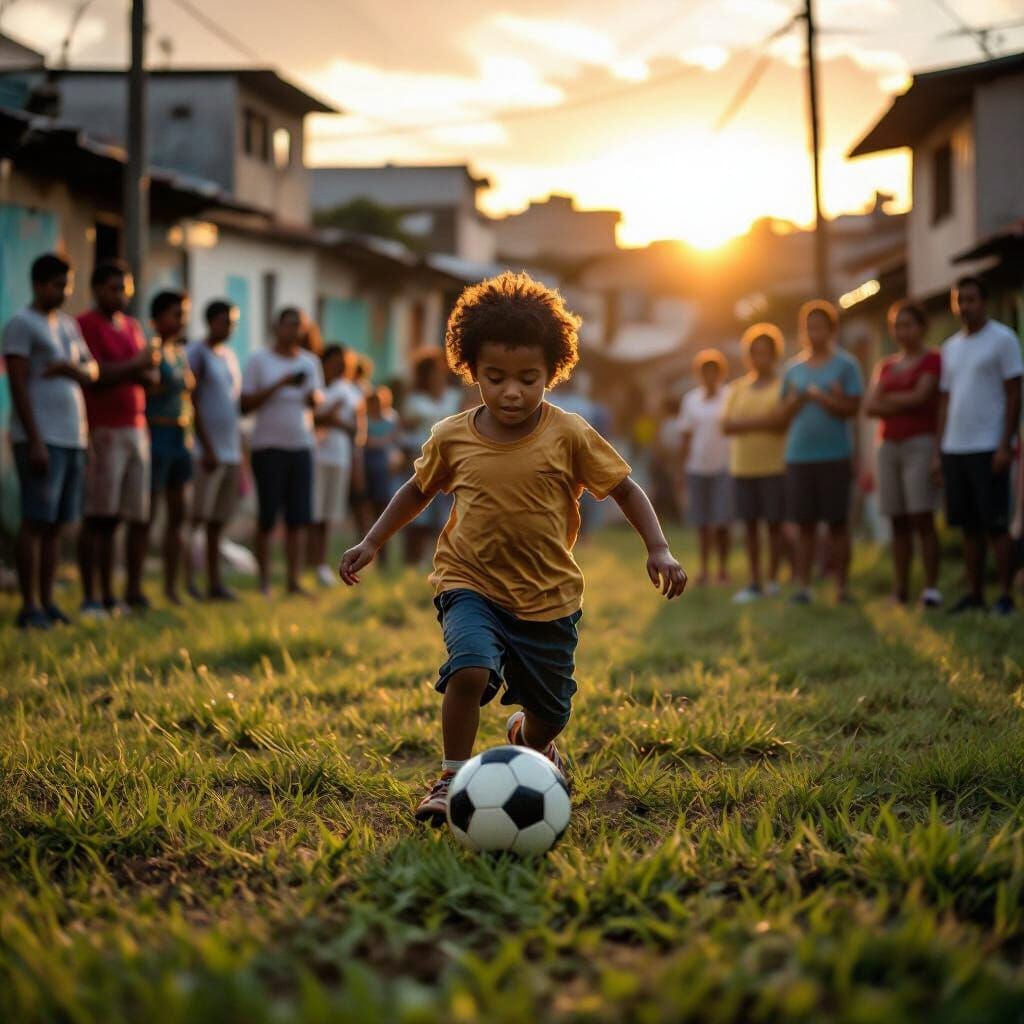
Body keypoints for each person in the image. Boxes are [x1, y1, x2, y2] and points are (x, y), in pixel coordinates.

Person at [338, 272, 687, 825]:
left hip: (549, 597)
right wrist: (372, 540)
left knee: (549, 714)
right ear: (471, 370)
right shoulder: (452, 435)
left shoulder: (569, 432)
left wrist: (659, 547)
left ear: (553, 372)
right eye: (494, 377)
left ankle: (530, 737)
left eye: (529, 378)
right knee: (469, 671)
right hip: (469, 582)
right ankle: (453, 777)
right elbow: (417, 489)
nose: (511, 392)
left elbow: (623, 486)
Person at [2, 253, 97, 629]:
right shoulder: (21, 325)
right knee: (35, 521)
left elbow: (92, 371)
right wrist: (35, 439)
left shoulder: (69, 326)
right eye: (58, 285)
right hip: (40, 437)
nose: (64, 292)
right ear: (39, 284)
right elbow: (18, 385)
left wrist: (71, 369)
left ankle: (48, 599)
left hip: (71, 437)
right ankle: (29, 606)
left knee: (57, 524)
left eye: (68, 285)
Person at [935, 276, 1023, 615]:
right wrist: (939, 450)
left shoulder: (1003, 340)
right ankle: (975, 595)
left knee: (996, 525)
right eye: (960, 300)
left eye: (971, 299)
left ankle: (1004, 595)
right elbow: (944, 402)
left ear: (983, 302)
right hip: (956, 448)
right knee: (968, 528)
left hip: (990, 447)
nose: (966, 306)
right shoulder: (951, 347)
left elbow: (1015, 393)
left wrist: (1005, 444)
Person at [77, 260, 159, 617]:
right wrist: (137, 364)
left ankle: (118, 594)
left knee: (128, 517)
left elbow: (147, 373)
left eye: (126, 289)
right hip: (104, 427)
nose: (122, 296)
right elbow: (95, 373)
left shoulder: (131, 326)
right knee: (99, 516)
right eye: (114, 288)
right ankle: (93, 595)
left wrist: (146, 368)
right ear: (96, 289)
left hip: (136, 427)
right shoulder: (85, 325)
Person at [782, 300, 863, 605]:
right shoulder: (793, 370)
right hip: (799, 456)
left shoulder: (846, 365)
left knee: (837, 524)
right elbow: (782, 412)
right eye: (809, 327)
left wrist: (824, 399)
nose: (814, 333)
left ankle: (842, 587)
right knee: (804, 525)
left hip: (834, 455)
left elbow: (853, 408)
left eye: (820, 327)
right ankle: (803, 587)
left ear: (832, 330)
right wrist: (797, 400)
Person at [241, 307, 323, 596]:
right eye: (289, 325)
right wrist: (281, 384)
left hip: (301, 445)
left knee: (297, 518)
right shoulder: (259, 359)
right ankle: (263, 582)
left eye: (300, 326)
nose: (295, 331)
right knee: (267, 516)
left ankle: (293, 581)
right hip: (268, 447)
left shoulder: (311, 362)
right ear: (277, 326)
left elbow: (317, 400)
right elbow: (245, 403)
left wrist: (314, 398)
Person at [865, 301, 942, 608]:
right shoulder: (885, 365)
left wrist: (890, 399)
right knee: (897, 520)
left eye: (908, 324)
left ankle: (932, 589)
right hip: (888, 447)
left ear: (922, 327)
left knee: (922, 517)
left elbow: (922, 397)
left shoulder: (933, 360)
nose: (902, 331)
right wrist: (905, 400)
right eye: (897, 325)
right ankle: (900, 590)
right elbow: (870, 406)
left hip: (920, 445)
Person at [721, 323, 788, 603]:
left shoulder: (783, 385)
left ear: (775, 355)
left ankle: (772, 580)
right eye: (755, 353)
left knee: (774, 525)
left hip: (774, 466)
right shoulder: (737, 388)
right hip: (743, 467)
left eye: (765, 353)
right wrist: (763, 423)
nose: (760, 358)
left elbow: (781, 422)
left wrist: (745, 424)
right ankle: (753, 581)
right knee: (749, 527)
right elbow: (726, 425)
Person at [186, 300, 242, 601]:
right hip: (207, 452)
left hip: (230, 450)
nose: (229, 328)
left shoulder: (229, 356)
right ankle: (188, 580)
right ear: (210, 322)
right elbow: (191, 401)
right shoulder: (197, 353)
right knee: (197, 518)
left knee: (217, 522)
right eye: (224, 322)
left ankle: (214, 582)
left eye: (233, 322)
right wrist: (205, 445)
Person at [141, 290, 194, 605]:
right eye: (176, 314)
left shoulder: (179, 351)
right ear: (158, 318)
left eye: (184, 314)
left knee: (178, 515)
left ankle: (171, 586)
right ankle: (137, 587)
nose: (181, 320)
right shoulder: (152, 349)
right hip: (157, 433)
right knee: (148, 514)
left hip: (180, 437)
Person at [310, 343, 365, 587]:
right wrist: (329, 417)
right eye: (334, 360)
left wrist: (336, 422)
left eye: (344, 361)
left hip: (339, 457)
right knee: (313, 511)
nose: (339, 365)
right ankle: (307, 562)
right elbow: (311, 418)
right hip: (316, 455)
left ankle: (320, 563)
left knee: (328, 513)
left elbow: (358, 430)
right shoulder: (316, 387)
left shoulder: (351, 391)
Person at [401, 348, 461, 565]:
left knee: (444, 515)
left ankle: (437, 559)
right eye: (432, 372)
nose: (437, 376)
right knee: (418, 514)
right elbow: (405, 431)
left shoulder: (454, 397)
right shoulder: (415, 400)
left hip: (449, 461)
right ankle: (412, 560)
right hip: (421, 458)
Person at [678, 350, 732, 585]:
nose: (709, 376)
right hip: (697, 467)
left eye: (714, 372)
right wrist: (681, 468)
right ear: (699, 374)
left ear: (720, 374)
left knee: (722, 522)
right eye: (705, 372)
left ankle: (722, 569)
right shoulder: (690, 400)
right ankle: (704, 568)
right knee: (702, 523)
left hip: (724, 466)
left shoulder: (730, 397)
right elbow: (686, 437)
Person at [362, 385, 401, 566]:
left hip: (385, 470)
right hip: (368, 468)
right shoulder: (364, 420)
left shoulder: (391, 418)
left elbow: (392, 440)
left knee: (382, 511)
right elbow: (366, 442)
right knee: (367, 512)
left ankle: (383, 557)